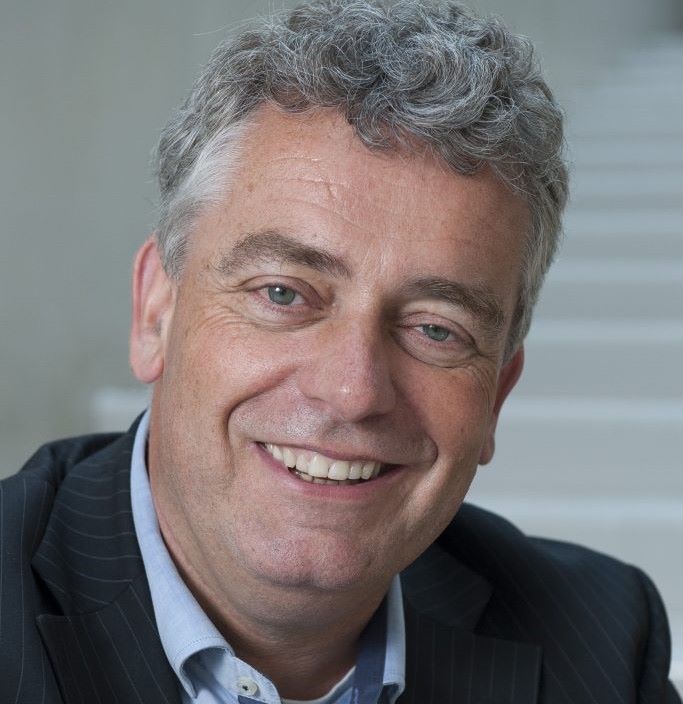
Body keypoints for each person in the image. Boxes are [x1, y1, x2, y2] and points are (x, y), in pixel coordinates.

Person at [1, 1, 679, 702]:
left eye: (436, 329)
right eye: (283, 294)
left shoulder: (598, 643)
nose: (353, 391)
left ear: (497, 394)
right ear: (155, 312)